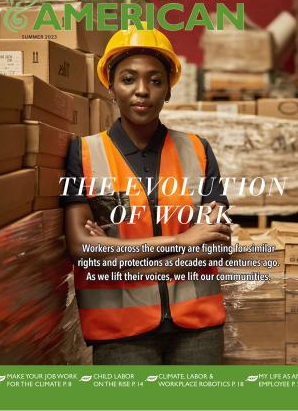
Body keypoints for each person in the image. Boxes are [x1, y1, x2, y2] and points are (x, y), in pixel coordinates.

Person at [63, 23, 231, 365]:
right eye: (128, 79)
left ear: (168, 90)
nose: (142, 90)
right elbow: (82, 249)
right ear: (111, 87)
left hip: (197, 330)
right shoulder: (83, 154)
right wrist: (182, 241)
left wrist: (117, 257)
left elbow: (216, 244)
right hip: (121, 334)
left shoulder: (198, 150)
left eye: (156, 80)